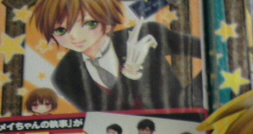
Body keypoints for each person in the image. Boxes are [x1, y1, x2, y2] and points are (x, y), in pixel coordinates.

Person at [30, 0, 203, 113]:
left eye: (89, 23)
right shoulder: (64, 75)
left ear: (107, 20)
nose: (75, 37)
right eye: (61, 30)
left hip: (182, 125)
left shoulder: (145, 33)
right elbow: (107, 116)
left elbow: (206, 50)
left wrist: (192, 100)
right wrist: (130, 70)